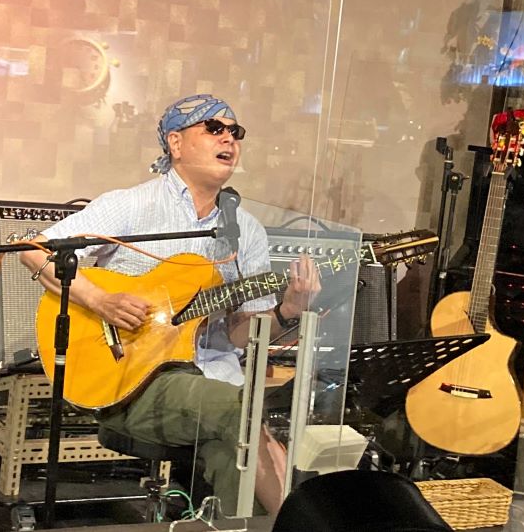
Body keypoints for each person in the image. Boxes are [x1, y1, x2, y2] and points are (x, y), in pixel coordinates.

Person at [20, 94, 321, 515]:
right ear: (175, 143)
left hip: (213, 380)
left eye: (235, 132)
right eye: (214, 128)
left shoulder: (246, 230)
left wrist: (289, 309)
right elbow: (35, 250)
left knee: (234, 454)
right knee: (243, 413)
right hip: (132, 381)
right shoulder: (132, 204)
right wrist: (101, 301)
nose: (229, 139)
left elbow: (239, 334)